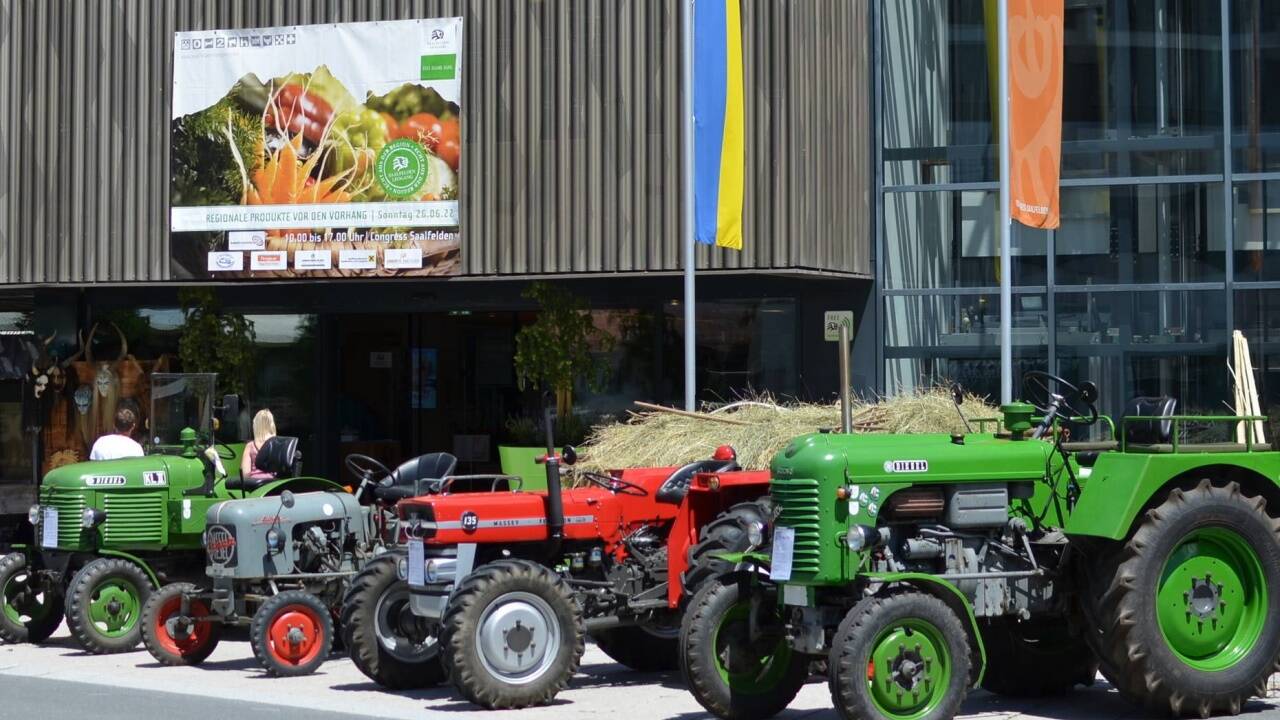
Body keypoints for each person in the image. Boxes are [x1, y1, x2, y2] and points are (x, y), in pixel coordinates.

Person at [241, 409, 277, 480]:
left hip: (255, 485)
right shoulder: (277, 443)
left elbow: (245, 474)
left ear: (256, 425)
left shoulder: (250, 445)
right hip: (273, 483)